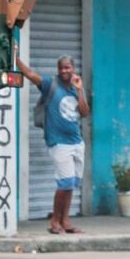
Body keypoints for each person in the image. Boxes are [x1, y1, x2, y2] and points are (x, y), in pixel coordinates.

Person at [15, 50, 90, 234]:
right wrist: (16, 59)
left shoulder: (76, 87)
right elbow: (31, 75)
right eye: (61, 68)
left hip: (76, 142)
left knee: (71, 183)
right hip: (58, 142)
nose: (64, 70)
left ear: (73, 69)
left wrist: (80, 89)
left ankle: (66, 221)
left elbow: (84, 112)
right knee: (64, 183)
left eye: (67, 67)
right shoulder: (51, 84)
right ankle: (54, 221)